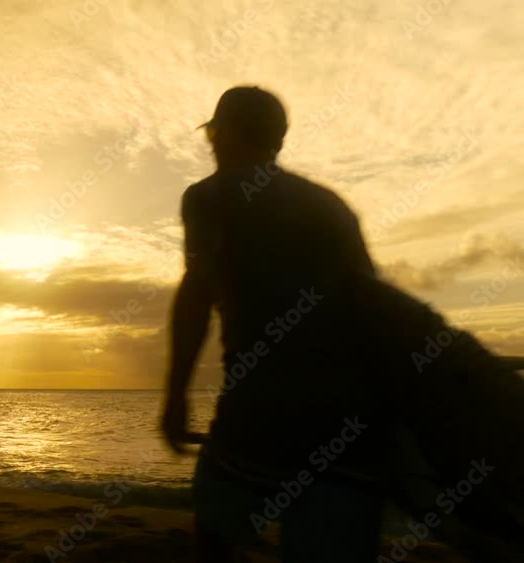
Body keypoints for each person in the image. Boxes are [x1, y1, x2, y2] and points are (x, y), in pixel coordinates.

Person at [161, 86, 393, 562]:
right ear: (279, 142)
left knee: (215, 536)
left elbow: (196, 294)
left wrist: (175, 395)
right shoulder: (330, 205)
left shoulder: (209, 197)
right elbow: (374, 307)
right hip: (352, 422)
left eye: (213, 135)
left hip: (260, 411)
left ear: (221, 134)